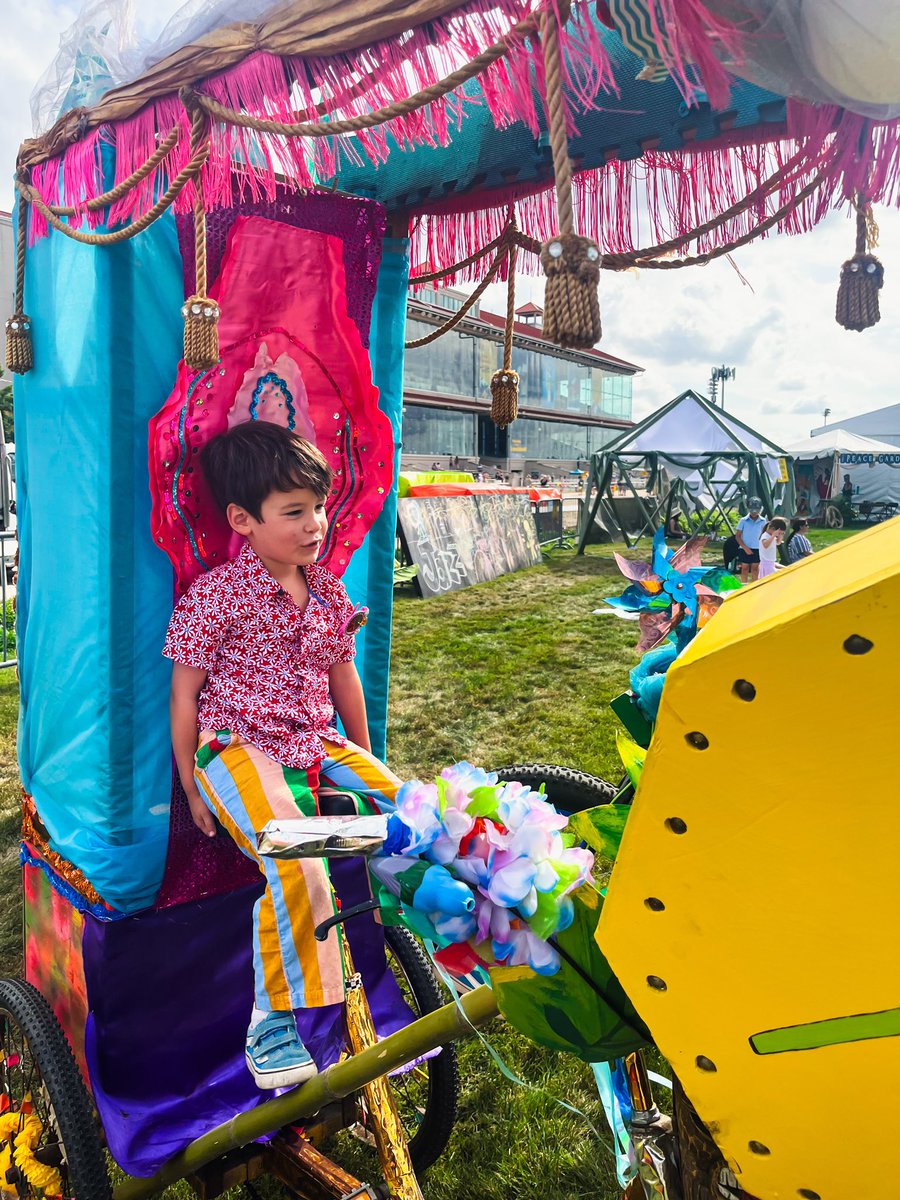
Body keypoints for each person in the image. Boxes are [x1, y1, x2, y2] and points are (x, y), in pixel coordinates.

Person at [164, 421, 401, 1091]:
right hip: (235, 746)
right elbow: (185, 696)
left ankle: (443, 938)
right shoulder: (214, 597)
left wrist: (365, 753)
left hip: (315, 740)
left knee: (411, 807)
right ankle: (271, 1021)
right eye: (294, 512)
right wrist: (189, 781)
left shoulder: (327, 591)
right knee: (296, 862)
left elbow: (342, 674)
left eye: (318, 507)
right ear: (243, 519)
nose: (315, 524)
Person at [735, 497, 766, 583]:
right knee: (744, 568)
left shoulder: (763, 521)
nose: (754, 513)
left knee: (755, 569)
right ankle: (744, 585)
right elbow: (737, 536)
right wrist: (745, 547)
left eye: (756, 510)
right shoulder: (743, 521)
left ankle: (754, 586)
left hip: (757, 548)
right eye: (752, 510)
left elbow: (765, 534)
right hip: (744, 547)